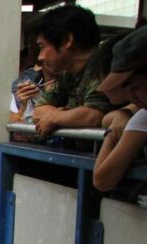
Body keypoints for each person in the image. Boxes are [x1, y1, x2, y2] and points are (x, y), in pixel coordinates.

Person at [32, 4, 117, 137]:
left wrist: (55, 117)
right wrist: (66, 116)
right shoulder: (67, 74)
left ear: (67, 40)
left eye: (42, 47)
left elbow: (93, 116)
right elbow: (38, 110)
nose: (40, 57)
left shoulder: (103, 67)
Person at [94, 25, 147, 193]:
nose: (132, 97)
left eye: (134, 87)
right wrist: (113, 130)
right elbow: (101, 179)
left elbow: (102, 179)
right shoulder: (142, 116)